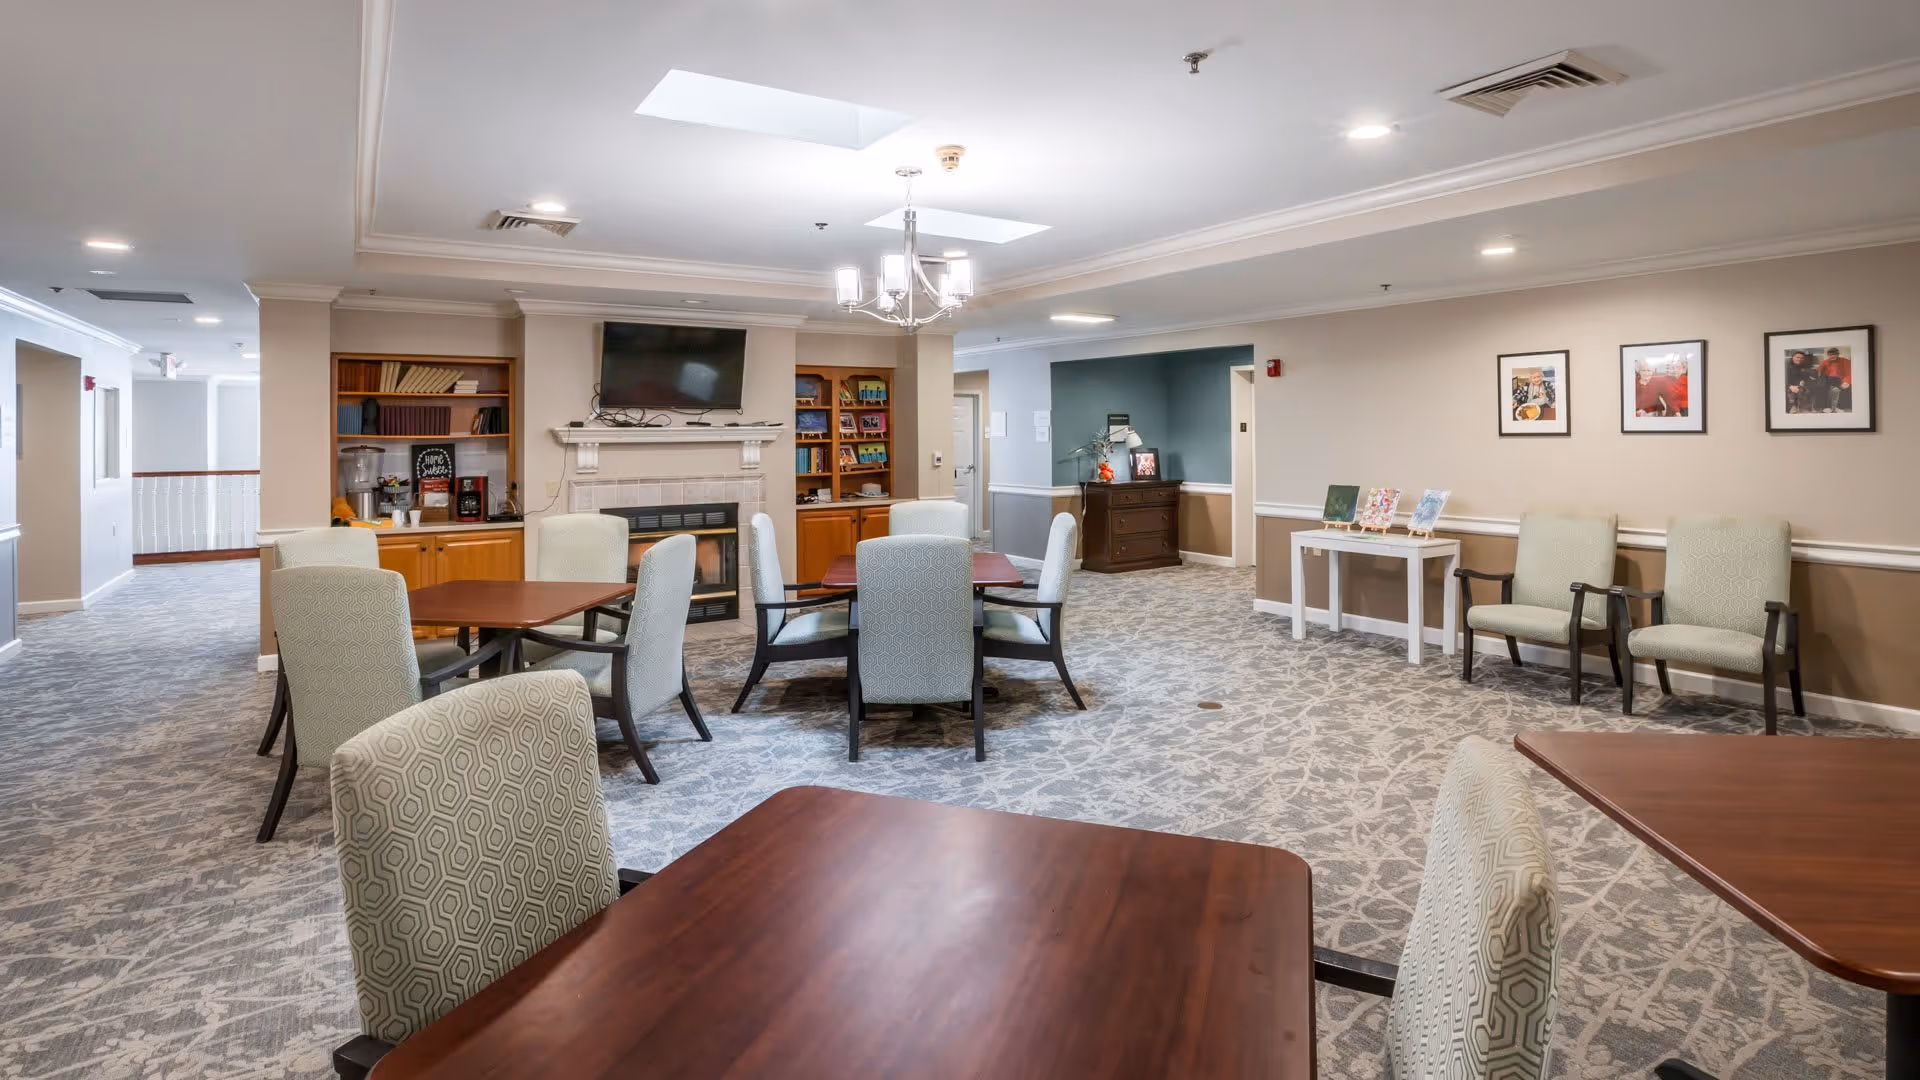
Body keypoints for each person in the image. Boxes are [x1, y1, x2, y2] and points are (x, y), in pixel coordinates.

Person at [1819, 347, 1852, 413]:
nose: (1832, 356)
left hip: (1841, 379)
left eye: (1834, 354)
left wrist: (1847, 382)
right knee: (1825, 387)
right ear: (1828, 355)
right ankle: (1828, 407)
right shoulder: (1825, 362)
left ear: (1838, 354)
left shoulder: (1845, 361)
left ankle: (1838, 407)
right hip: (1828, 379)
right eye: (1830, 355)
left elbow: (1850, 372)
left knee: (1840, 389)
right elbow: (1818, 371)